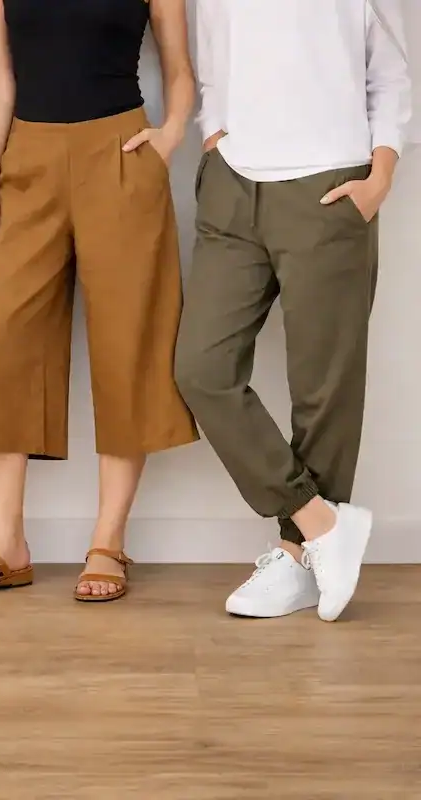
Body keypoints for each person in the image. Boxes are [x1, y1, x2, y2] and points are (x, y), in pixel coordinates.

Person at [0, 0, 198, 602]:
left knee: (128, 341)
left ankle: (108, 541)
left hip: (122, 152)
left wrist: (169, 136)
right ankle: (5, 544)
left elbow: (180, 69)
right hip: (26, 159)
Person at [175, 0, 410, 621]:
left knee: (322, 388)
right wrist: (214, 131)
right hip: (233, 184)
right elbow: (216, 59)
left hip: (330, 185)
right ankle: (320, 522)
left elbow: (388, 71)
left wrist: (379, 176)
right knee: (202, 370)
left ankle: (297, 553)